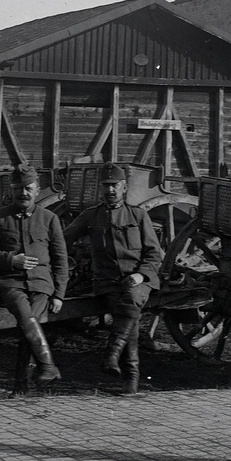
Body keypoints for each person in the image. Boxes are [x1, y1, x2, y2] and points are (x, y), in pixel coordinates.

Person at [64, 165, 164, 394]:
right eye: (106, 186)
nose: (111, 190)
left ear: (124, 188)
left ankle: (112, 355)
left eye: (115, 186)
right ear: (101, 188)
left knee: (129, 302)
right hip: (108, 281)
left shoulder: (138, 215)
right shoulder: (91, 215)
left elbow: (154, 253)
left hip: (141, 279)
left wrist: (140, 275)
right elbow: (63, 239)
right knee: (128, 314)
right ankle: (130, 376)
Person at [0, 165, 68, 392]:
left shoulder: (49, 219)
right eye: (18, 189)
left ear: (37, 190)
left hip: (41, 284)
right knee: (28, 319)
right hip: (10, 283)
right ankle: (47, 366)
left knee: (28, 327)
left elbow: (60, 259)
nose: (23, 193)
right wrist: (11, 260)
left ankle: (21, 385)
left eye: (28, 188)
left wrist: (58, 294)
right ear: (12, 190)